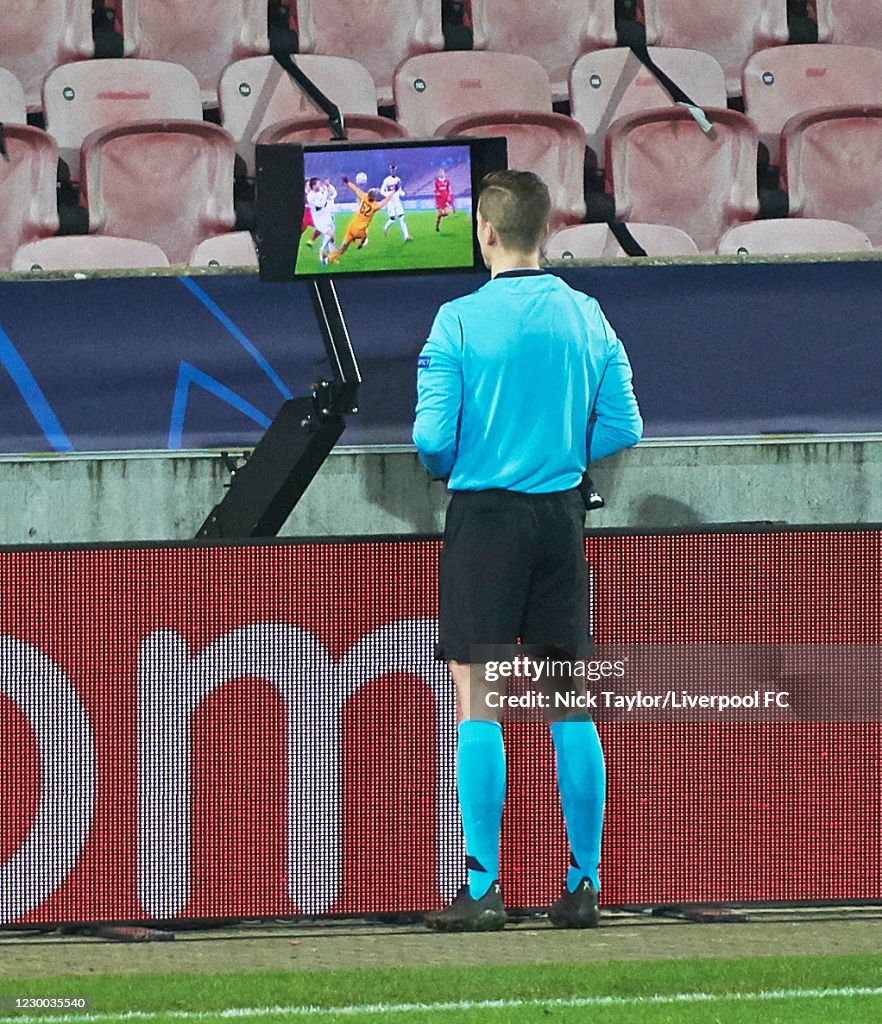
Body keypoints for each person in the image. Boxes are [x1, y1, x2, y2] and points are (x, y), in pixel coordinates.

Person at [413, 170, 642, 932]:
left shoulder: (457, 322)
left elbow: (429, 440)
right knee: (567, 703)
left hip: (486, 521)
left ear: (483, 229)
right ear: (546, 229)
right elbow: (623, 425)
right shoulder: (587, 315)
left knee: (480, 699)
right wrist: (567, 457)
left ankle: (483, 888)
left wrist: (465, 462)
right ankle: (583, 884)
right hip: (562, 517)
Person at [328, 176, 394, 264]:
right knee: (364, 237)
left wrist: (347, 181)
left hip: (352, 225)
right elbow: (386, 200)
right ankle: (361, 244)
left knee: (344, 245)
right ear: (374, 198)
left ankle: (330, 257)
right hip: (360, 230)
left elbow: (355, 189)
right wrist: (394, 191)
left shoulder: (363, 196)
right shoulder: (375, 206)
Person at [304, 177, 337, 265]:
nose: (320, 185)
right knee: (330, 234)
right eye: (318, 183)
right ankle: (322, 250)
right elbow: (321, 204)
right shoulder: (310, 196)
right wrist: (325, 193)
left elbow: (332, 194)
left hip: (327, 215)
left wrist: (328, 186)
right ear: (313, 186)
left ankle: (331, 258)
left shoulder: (322, 190)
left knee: (332, 238)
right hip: (319, 219)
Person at [381, 164, 412, 241]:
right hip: (390, 202)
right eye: (392, 170)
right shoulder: (386, 180)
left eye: (394, 170)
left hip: (397, 202)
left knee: (402, 218)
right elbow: (382, 191)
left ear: (396, 171)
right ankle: (385, 228)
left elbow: (400, 191)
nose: (393, 171)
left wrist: (404, 194)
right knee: (392, 219)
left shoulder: (398, 179)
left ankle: (406, 236)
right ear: (390, 171)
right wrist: (388, 195)